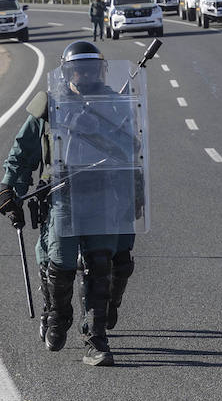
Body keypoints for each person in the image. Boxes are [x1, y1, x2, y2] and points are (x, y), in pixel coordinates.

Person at [1, 41, 143, 366]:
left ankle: (96, 339)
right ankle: (58, 315)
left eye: (91, 68)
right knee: (62, 265)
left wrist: (135, 193)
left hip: (103, 194)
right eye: (78, 68)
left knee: (102, 266)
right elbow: (23, 153)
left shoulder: (116, 104)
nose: (84, 74)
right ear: (66, 72)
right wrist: (9, 188)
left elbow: (133, 152)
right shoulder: (50, 105)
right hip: (63, 196)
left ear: (101, 70)